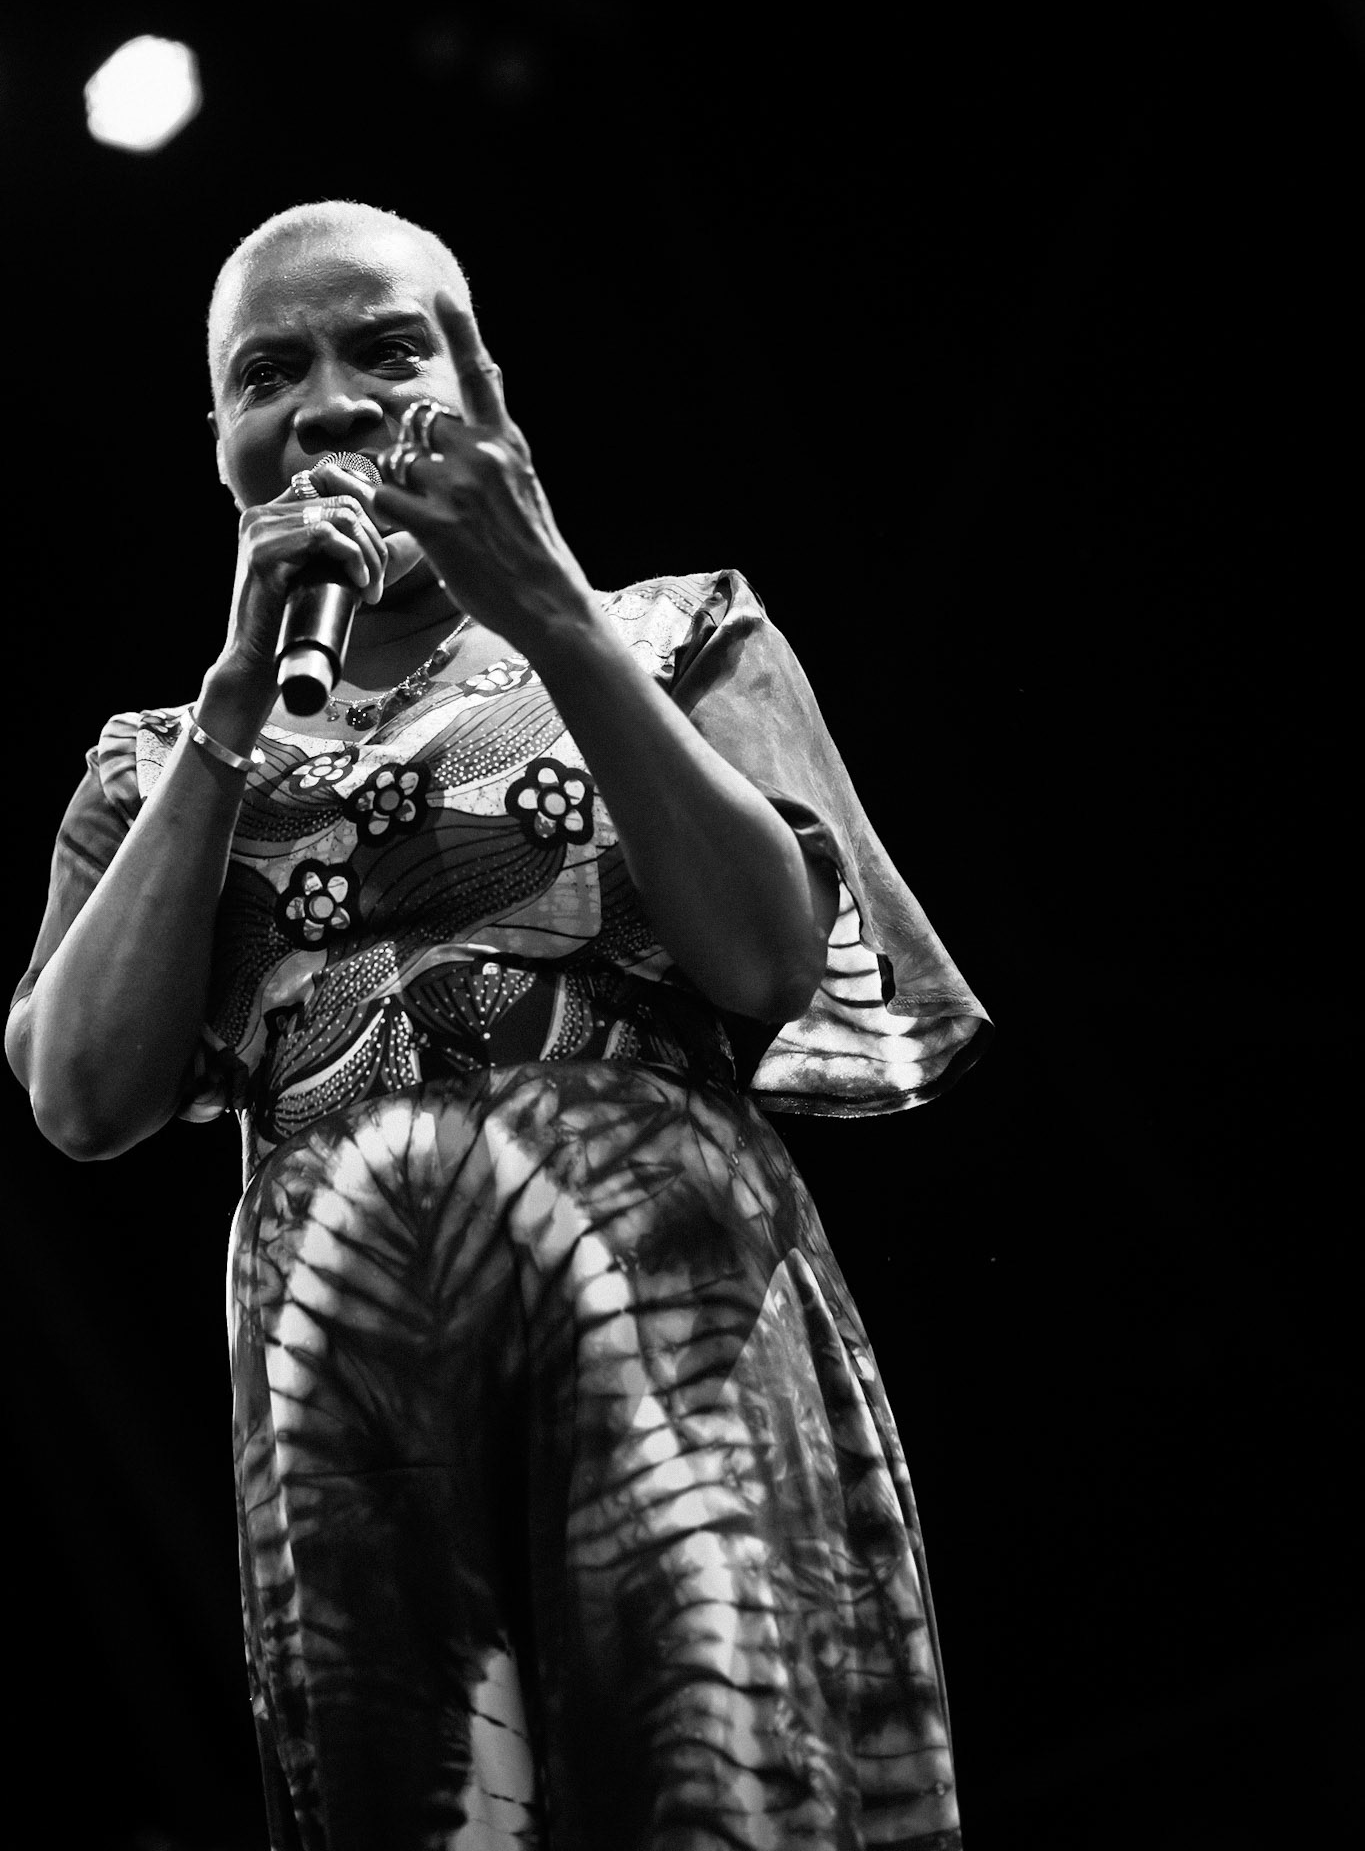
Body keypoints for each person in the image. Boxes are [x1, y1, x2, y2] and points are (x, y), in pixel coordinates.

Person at [6, 199, 990, 1851]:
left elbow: (764, 959)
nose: (325, 402)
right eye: (269, 372)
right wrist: (232, 713)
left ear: (481, 383)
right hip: (354, 1374)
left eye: (384, 350)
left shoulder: (677, 632)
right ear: (225, 442)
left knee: (718, 1764)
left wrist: (543, 610)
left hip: (657, 1312)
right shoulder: (156, 763)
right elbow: (82, 1096)